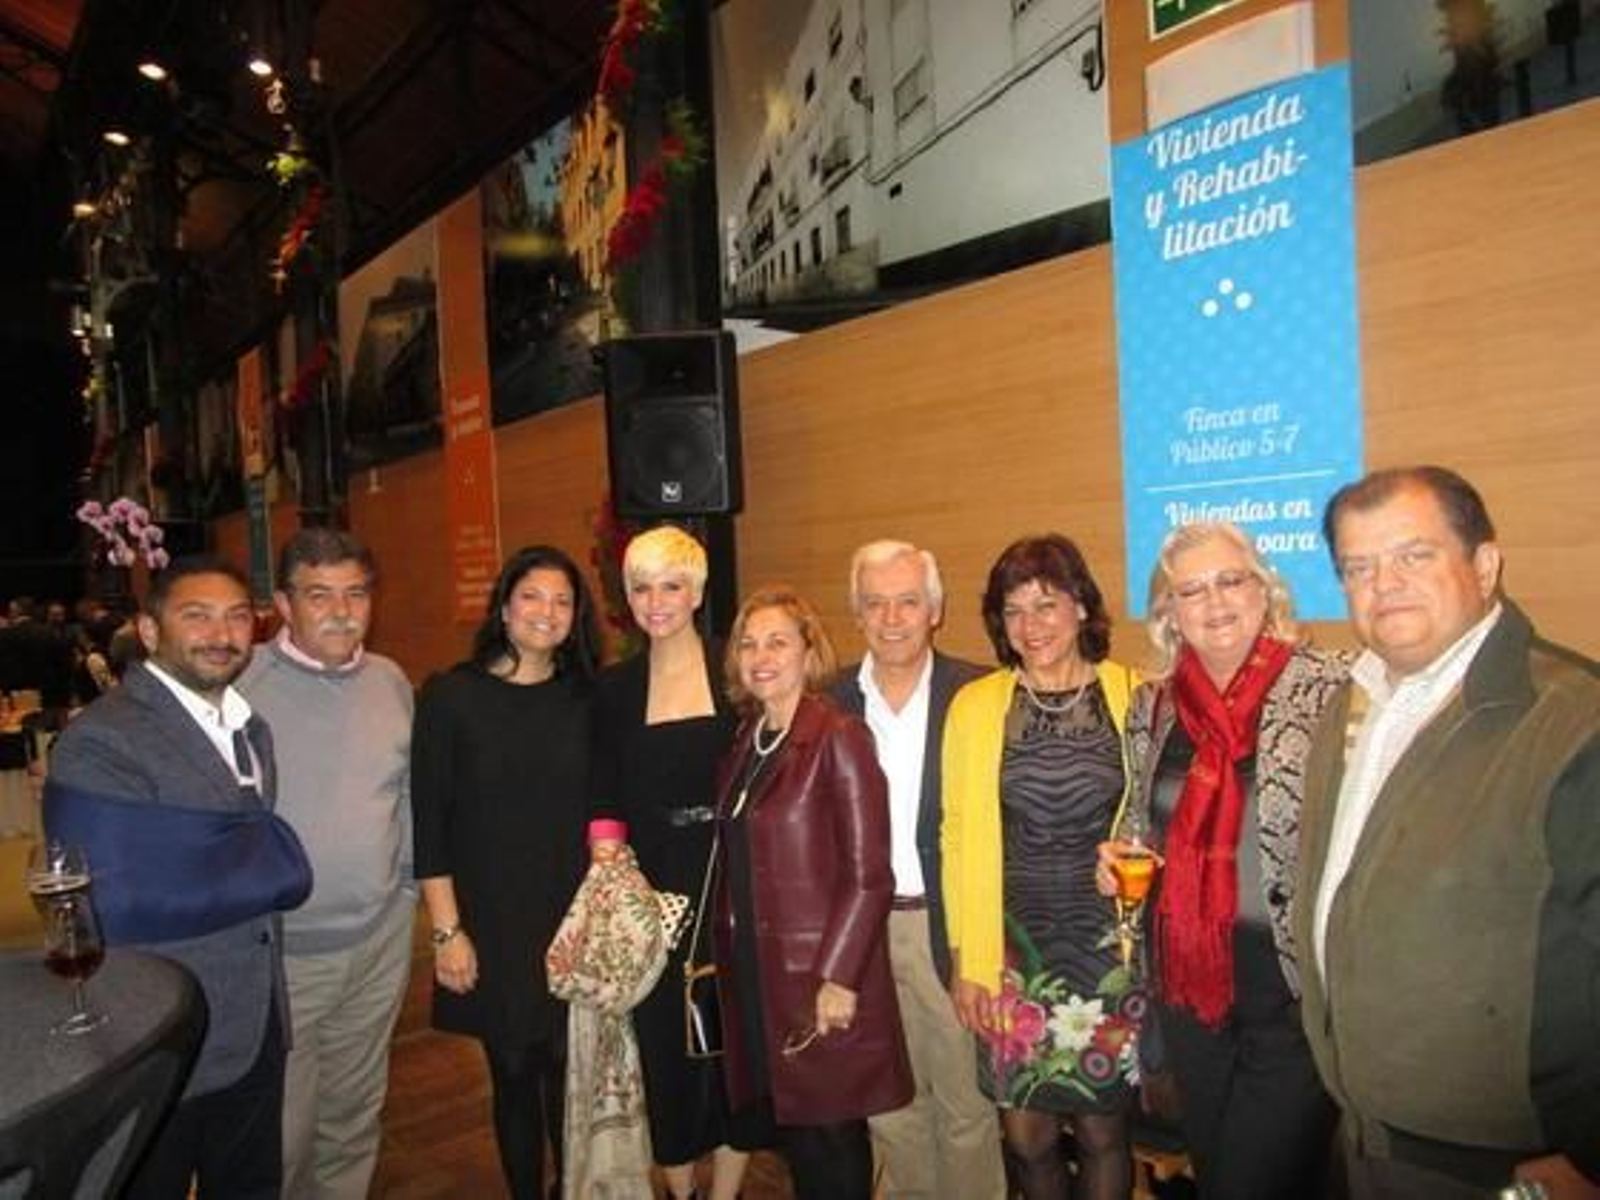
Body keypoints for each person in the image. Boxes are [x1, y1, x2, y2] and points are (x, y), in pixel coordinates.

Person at [1294, 465, 1600, 1200]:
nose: (1384, 583)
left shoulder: (1572, 721)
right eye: (1358, 567)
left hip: (1513, 1166)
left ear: (1485, 565)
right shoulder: (1350, 705)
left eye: (1414, 555)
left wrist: (1591, 1155)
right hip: (1370, 1132)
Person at [44, 557, 312, 1198]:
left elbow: (218, 862)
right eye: (197, 616)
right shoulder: (101, 741)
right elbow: (121, 895)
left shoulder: (253, 729)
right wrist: (271, 859)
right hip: (158, 1026)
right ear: (149, 629)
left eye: (237, 617)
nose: (221, 634)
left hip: (256, 1017)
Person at [1095, 521, 1345, 1196]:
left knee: (1252, 1180)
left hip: (1292, 991)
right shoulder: (1154, 707)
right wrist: (1120, 858)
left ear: (1265, 588)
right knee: (1223, 1162)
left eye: (1231, 580)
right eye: (1191, 590)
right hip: (1191, 987)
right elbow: (1144, 824)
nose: (1215, 602)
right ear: (1169, 614)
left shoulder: (1332, 691)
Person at [942, 534, 1139, 1200]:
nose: (1032, 626)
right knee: (1025, 1138)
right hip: (1011, 952)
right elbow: (958, 835)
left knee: (1102, 1133)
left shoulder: (1135, 695)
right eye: (1015, 610)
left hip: (1105, 948)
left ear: (1082, 607)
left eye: (1047, 604)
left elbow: (1155, 819)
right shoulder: (974, 707)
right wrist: (967, 959)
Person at [411, 545, 601, 1200]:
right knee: (515, 1069)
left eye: (562, 600)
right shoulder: (452, 696)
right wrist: (446, 932)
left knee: (568, 1072)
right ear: (504, 604)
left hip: (571, 916)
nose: (546, 612)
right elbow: (428, 823)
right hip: (491, 919)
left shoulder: (589, 698)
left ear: (577, 617)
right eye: (532, 596)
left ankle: (570, 1189)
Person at [713, 586, 913, 1199]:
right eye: (749, 643)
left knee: (831, 1138)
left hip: (815, 976)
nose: (760, 655)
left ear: (809, 651)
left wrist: (839, 977)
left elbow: (869, 872)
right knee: (799, 1135)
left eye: (778, 641)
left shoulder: (838, 736)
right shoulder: (749, 739)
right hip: (761, 973)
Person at [236, 528, 415, 1200]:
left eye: (356, 594)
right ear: (284, 603)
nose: (341, 611)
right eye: (319, 596)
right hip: (284, 953)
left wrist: (405, 895)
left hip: (379, 943)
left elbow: (406, 798)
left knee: (352, 1117)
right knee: (282, 1129)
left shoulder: (390, 682)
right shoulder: (242, 686)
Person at [587, 526, 763, 1200]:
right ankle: (683, 1190)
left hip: (733, 886)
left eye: (670, 584)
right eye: (640, 586)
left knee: (733, 1054)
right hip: (652, 891)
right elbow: (602, 793)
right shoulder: (614, 689)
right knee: (668, 1053)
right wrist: (612, 870)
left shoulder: (737, 669)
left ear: (696, 590)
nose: (654, 600)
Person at [828, 540, 1006, 1199]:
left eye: (908, 601)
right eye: (876, 603)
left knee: (966, 1107)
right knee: (890, 1108)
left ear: (935, 609)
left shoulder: (982, 692)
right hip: (864, 933)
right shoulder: (829, 702)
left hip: (950, 926)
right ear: (858, 614)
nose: (893, 617)